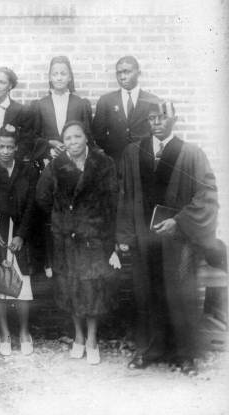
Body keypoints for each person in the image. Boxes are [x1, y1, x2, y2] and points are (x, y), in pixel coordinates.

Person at [116, 101, 218, 375]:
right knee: (146, 294)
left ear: (175, 119)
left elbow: (206, 195)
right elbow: (124, 194)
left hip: (178, 241)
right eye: (152, 118)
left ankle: (185, 355)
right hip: (144, 239)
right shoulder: (133, 152)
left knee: (180, 295)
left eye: (162, 117)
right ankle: (150, 349)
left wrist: (179, 221)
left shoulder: (192, 154)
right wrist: (124, 233)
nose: (156, 123)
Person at [36, 121, 120, 365]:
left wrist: (109, 237)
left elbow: (113, 202)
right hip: (67, 239)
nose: (72, 142)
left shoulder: (103, 164)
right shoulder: (56, 165)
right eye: (68, 138)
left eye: (77, 137)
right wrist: (63, 217)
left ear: (86, 138)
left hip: (95, 238)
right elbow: (42, 198)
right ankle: (78, 337)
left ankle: (93, 339)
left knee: (93, 290)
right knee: (71, 288)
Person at [0, 125, 39, 356]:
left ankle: (24, 332)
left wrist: (22, 235)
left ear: (17, 148)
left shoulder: (28, 170)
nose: (5, 151)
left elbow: (33, 205)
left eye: (10, 147)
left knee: (23, 285)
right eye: (1, 146)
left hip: (21, 233)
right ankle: (4, 333)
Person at [93, 56, 159, 168]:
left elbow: (157, 133)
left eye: (127, 72)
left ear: (138, 73)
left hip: (143, 163)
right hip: (115, 162)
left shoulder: (152, 101)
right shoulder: (106, 101)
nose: (122, 77)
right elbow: (98, 135)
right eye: (119, 73)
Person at [31, 56, 93, 164]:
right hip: (48, 160)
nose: (59, 78)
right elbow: (34, 137)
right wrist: (49, 145)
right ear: (50, 77)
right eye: (55, 74)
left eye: (63, 74)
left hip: (75, 161)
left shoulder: (81, 104)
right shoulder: (40, 105)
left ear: (70, 77)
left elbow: (88, 136)